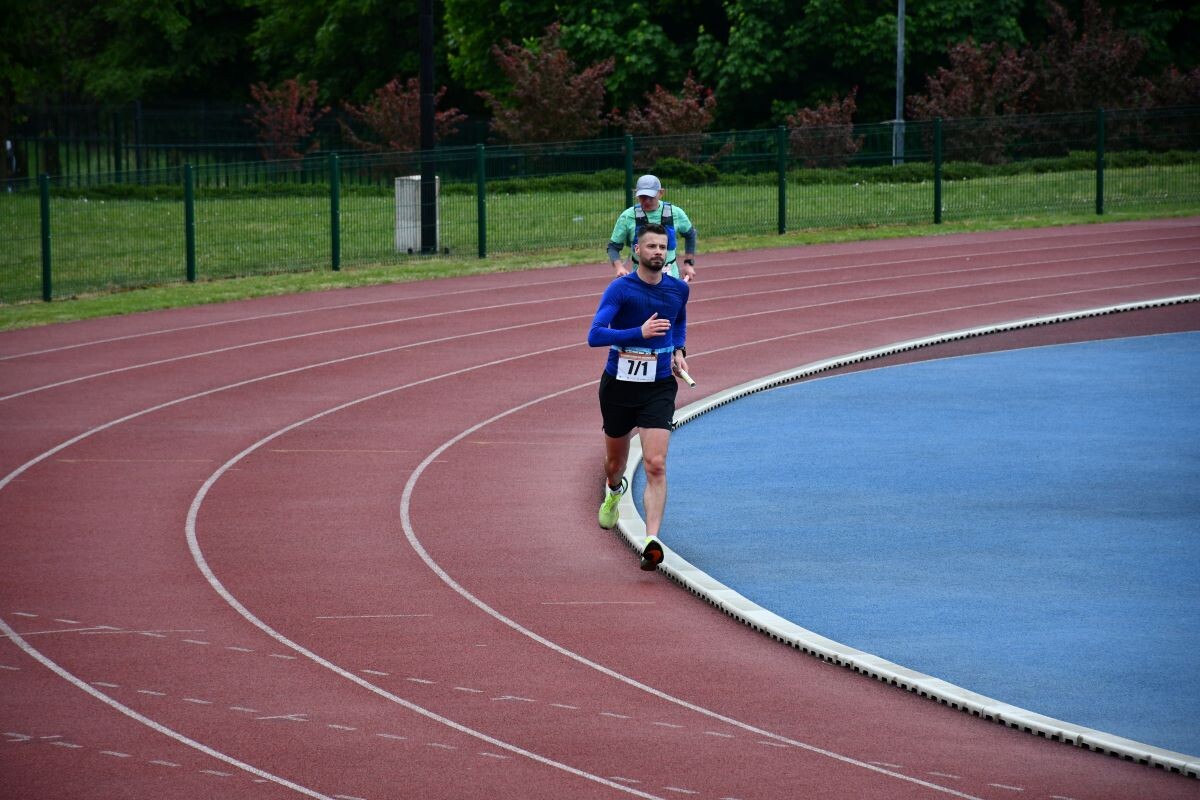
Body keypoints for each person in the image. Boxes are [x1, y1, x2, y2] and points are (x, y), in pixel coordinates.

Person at [588, 223, 691, 570]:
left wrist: (679, 351)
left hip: (659, 385)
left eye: (663, 247)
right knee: (615, 464)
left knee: (656, 464)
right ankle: (614, 490)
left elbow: (678, 324)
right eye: (651, 247)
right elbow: (595, 335)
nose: (658, 253)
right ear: (636, 250)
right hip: (618, 385)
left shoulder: (678, 290)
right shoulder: (620, 290)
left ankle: (652, 540)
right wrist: (639, 332)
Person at [607, 174, 697, 282]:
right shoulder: (627, 216)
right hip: (641, 280)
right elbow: (613, 247)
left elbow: (690, 235)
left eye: (651, 197)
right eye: (642, 197)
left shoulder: (676, 213)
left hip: (670, 277)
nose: (646, 201)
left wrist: (689, 264)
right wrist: (619, 267)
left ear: (661, 193)